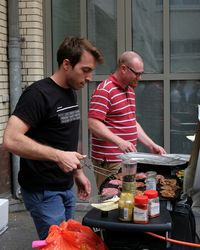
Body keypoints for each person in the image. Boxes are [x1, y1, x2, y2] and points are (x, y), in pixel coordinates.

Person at [3, 36, 103, 240]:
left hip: (65, 187)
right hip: (44, 191)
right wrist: (58, 156)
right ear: (66, 64)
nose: (90, 77)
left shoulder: (70, 92)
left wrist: (77, 173)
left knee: (67, 242)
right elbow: (11, 139)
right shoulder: (37, 94)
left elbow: (63, 138)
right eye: (85, 70)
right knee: (56, 245)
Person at [88, 51, 166, 188]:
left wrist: (151, 144)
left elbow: (131, 122)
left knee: (127, 201)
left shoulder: (129, 90)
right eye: (137, 73)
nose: (139, 77)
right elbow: (93, 123)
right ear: (123, 68)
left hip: (127, 159)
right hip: (110, 162)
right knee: (112, 203)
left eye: (141, 73)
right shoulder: (104, 90)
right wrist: (120, 142)